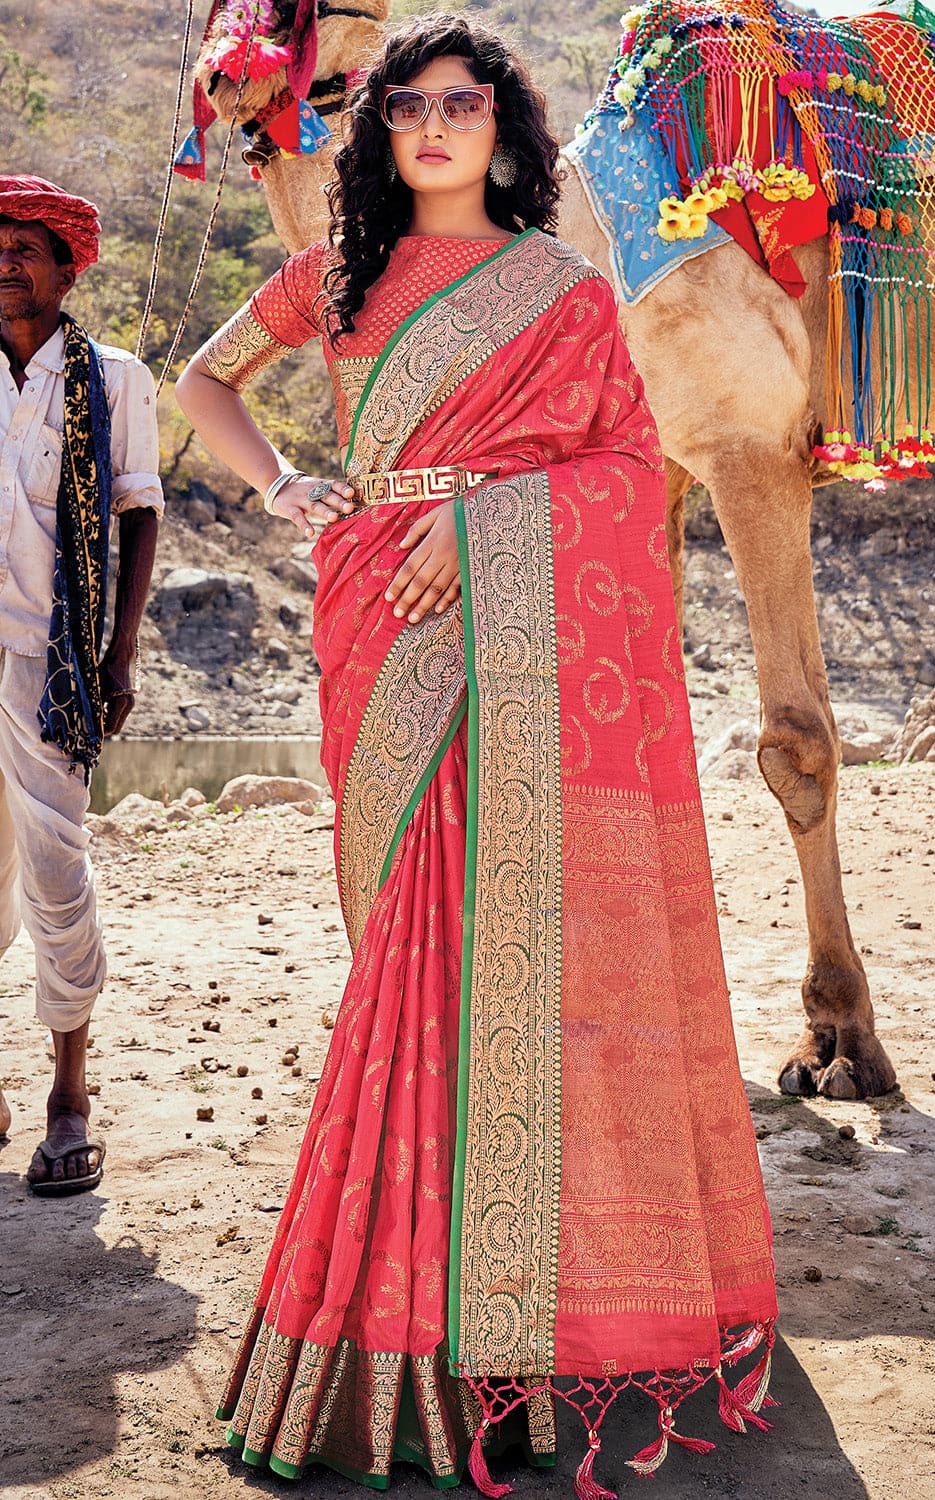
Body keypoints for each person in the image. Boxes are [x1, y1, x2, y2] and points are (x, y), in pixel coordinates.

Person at [176, 14, 777, 1492]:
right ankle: (421, 1313)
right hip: (378, 616)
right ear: (379, 132)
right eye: (410, 107)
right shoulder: (338, 279)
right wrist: (289, 494)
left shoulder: (569, 294)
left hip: (515, 629)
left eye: (467, 104)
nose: (437, 126)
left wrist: (480, 525)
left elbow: (627, 469)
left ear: (506, 131)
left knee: (498, 952)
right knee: (404, 946)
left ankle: (513, 1308)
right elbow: (203, 383)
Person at [0, 176, 162, 1196]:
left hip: (49, 662)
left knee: (57, 874)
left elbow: (139, 514)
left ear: (68, 269)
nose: (8, 261)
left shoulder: (115, 379)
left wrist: (118, 656)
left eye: (28, 246)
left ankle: (68, 1097)